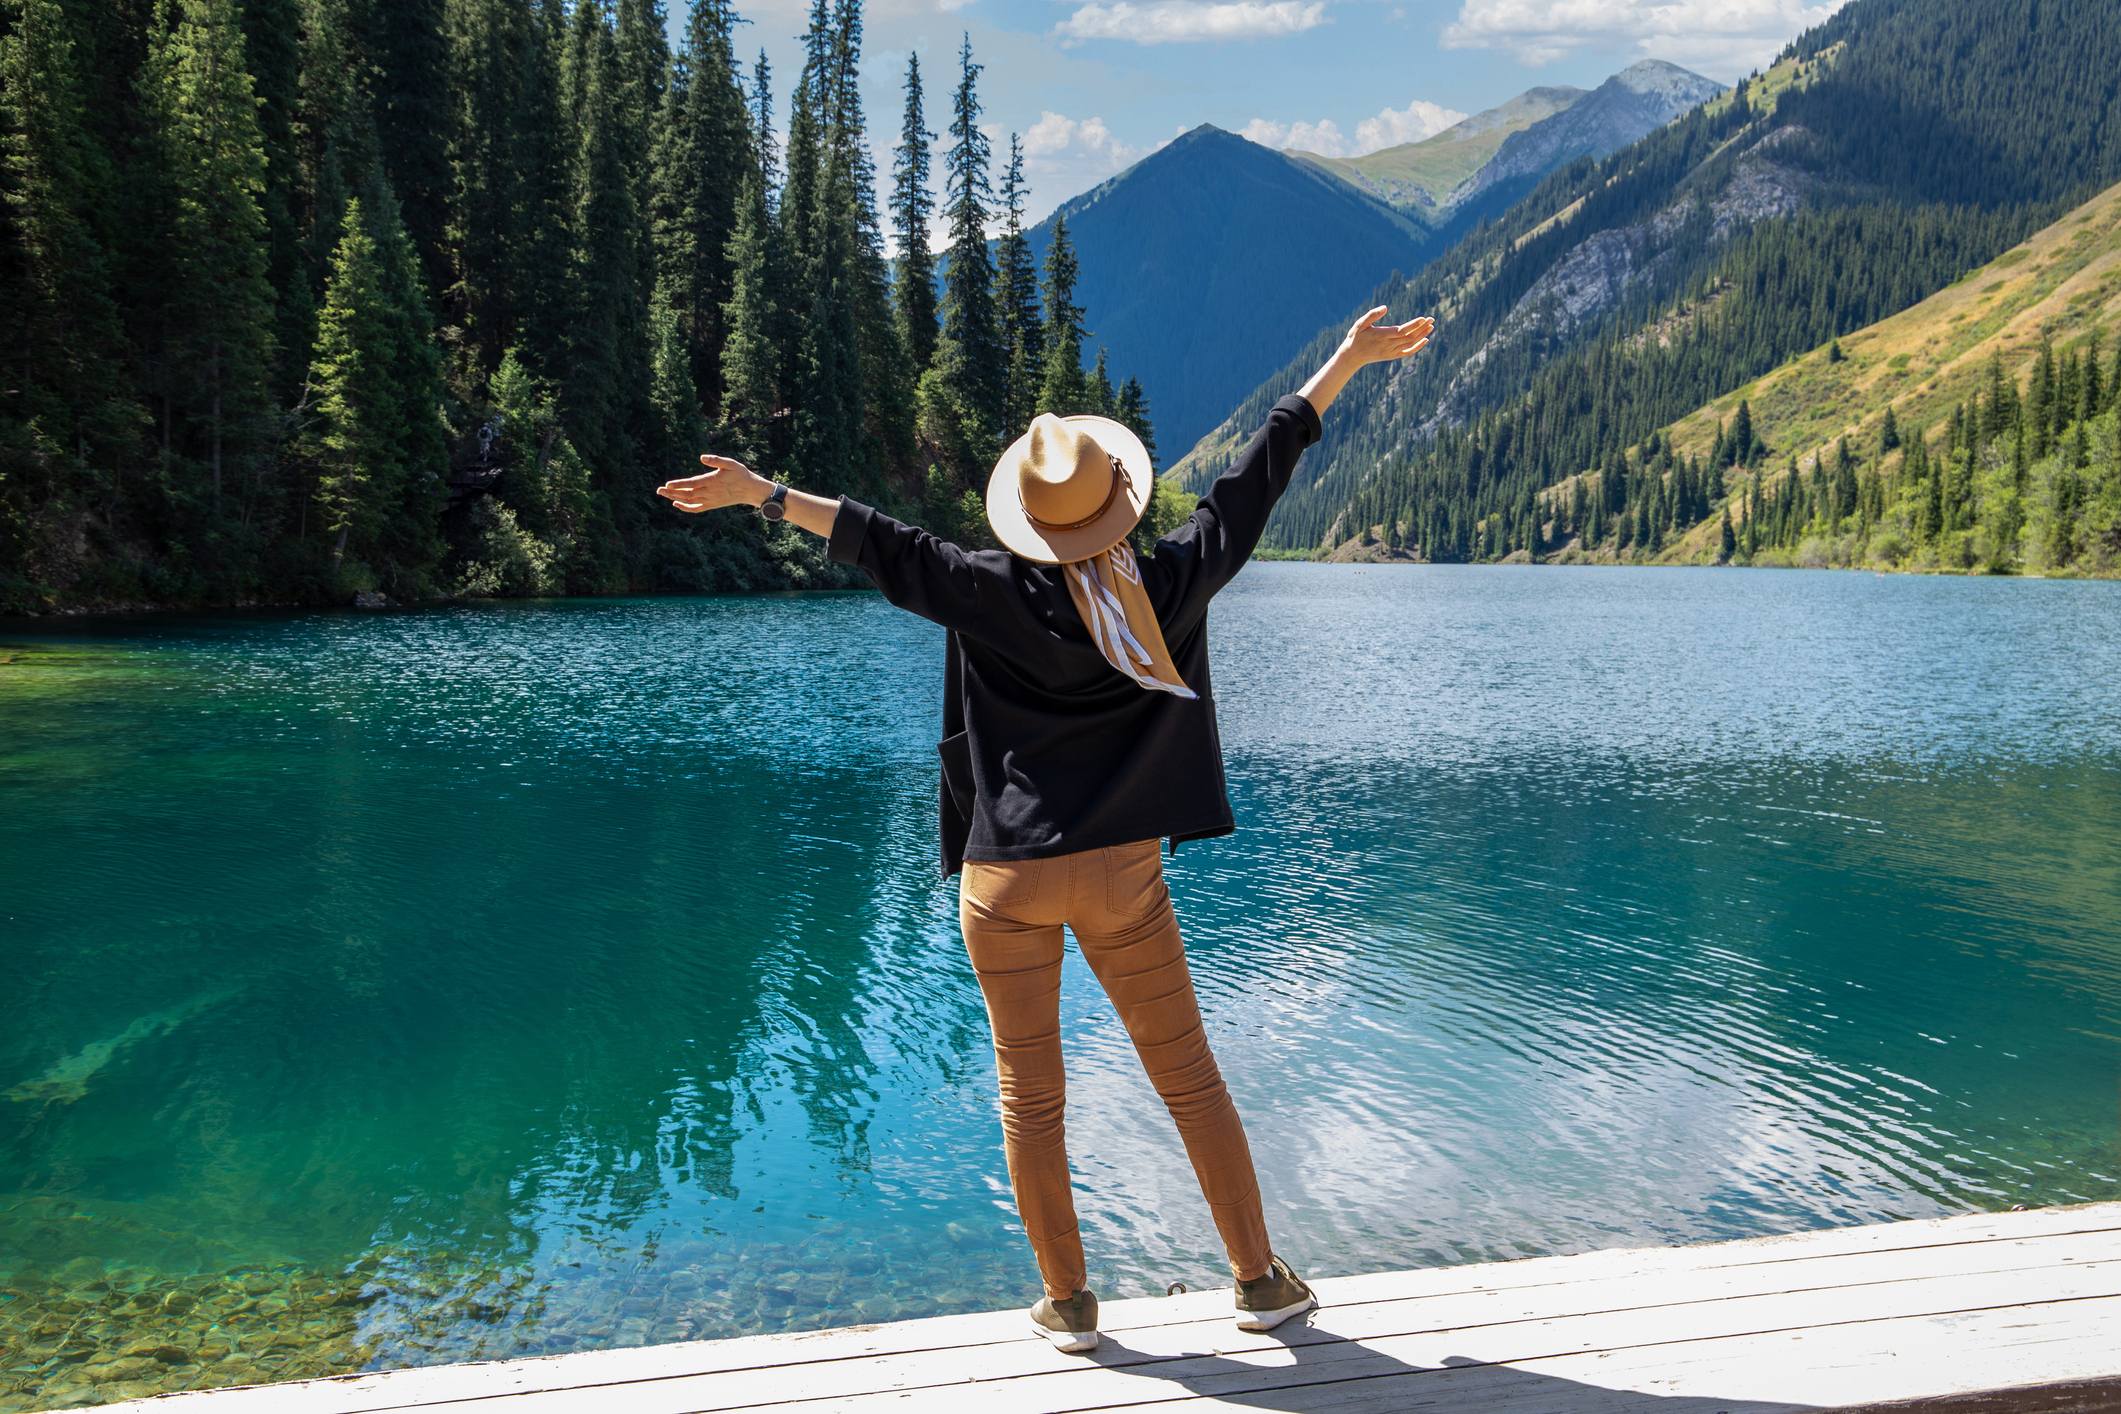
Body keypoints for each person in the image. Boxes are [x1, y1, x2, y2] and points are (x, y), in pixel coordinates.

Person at [657, 304, 1435, 1352]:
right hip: (1120, 881)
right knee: (1188, 1076)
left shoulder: (982, 590)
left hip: (1003, 882)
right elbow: (1259, 474)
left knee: (1031, 1096)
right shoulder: (1167, 582)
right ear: (1118, 501)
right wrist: (1344, 359)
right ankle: (1259, 1282)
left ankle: (1068, 1304)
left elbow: (869, 537)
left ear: (1024, 515)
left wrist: (761, 492)